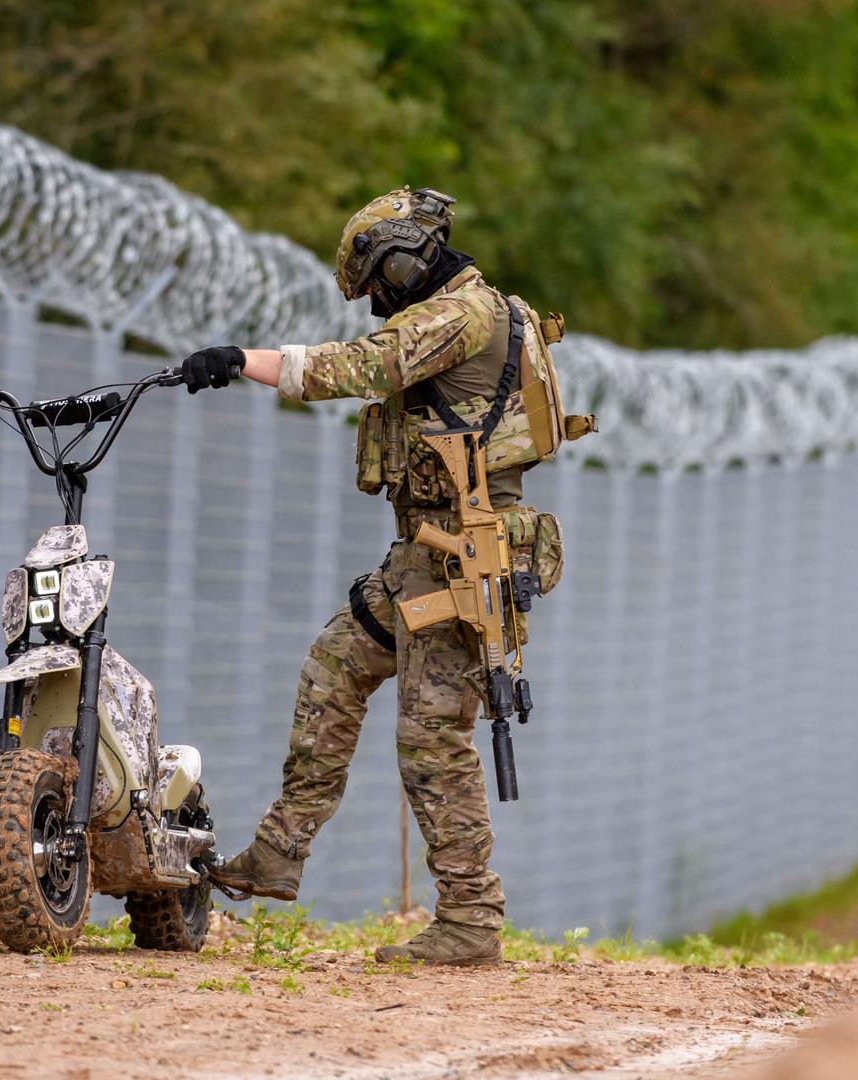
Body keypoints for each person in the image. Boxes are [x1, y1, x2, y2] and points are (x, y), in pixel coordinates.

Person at [174, 187, 568, 966]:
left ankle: (469, 920)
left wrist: (242, 360)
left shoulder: (463, 315)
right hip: (424, 556)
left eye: (377, 285)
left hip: (460, 558)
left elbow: (363, 366)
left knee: (431, 741)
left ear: (401, 258)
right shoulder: (475, 312)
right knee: (335, 665)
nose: (377, 303)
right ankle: (280, 852)